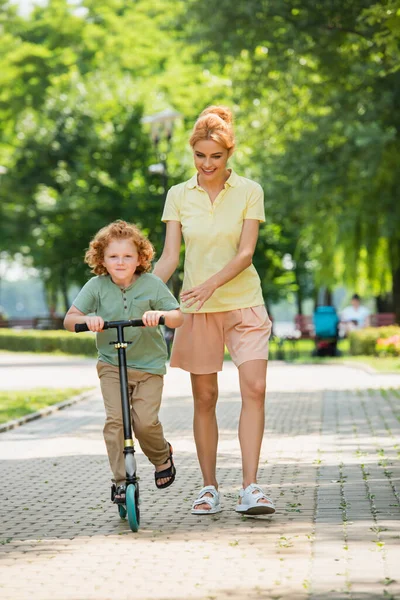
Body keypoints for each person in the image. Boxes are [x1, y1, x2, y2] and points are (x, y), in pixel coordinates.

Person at [153, 105, 275, 516]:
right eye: (200, 155)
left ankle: (251, 488)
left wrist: (208, 284)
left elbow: (245, 253)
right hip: (196, 310)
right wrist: (142, 292)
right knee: (204, 398)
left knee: (254, 389)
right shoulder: (178, 195)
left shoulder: (249, 191)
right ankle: (209, 488)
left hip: (243, 303)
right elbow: (170, 257)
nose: (207, 164)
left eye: (216, 156)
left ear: (229, 155)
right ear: (193, 153)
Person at [64, 220, 183, 503]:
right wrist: (87, 319)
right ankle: (120, 481)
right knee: (116, 422)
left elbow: (178, 316)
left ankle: (162, 456)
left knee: (144, 423)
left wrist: (159, 315)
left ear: (140, 258)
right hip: (111, 365)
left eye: (127, 256)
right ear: (101, 259)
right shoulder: (96, 286)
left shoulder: (152, 284)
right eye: (113, 256)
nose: (120, 262)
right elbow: (69, 320)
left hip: (148, 366)